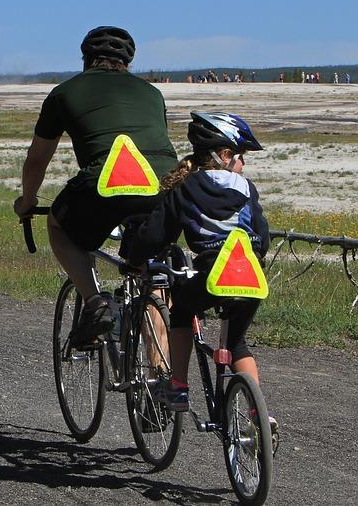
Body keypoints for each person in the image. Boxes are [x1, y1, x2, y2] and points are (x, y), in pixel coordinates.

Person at [14, 26, 178, 345]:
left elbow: (37, 161)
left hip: (105, 181)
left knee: (59, 226)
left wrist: (27, 201)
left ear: (86, 59)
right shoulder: (152, 93)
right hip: (167, 186)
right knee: (153, 275)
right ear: (128, 62)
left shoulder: (64, 93)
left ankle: (95, 302)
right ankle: (160, 378)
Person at [122, 112, 277, 446]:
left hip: (210, 277)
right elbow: (262, 238)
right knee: (236, 344)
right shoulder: (247, 189)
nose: (242, 165)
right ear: (223, 155)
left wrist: (134, 259)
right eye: (240, 157)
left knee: (180, 313)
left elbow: (156, 235)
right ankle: (259, 415)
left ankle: (177, 387)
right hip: (251, 279)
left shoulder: (186, 187)